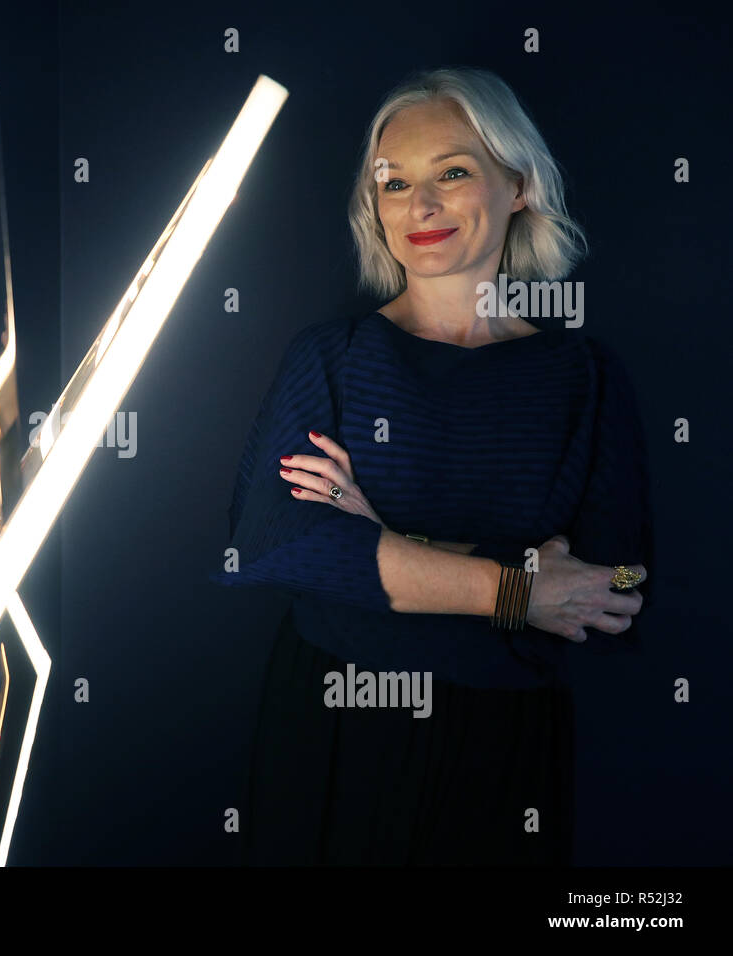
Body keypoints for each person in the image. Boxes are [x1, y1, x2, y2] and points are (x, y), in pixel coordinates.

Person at [211, 67, 654, 865]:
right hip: (335, 730)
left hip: (500, 756)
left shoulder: (585, 378)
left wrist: (381, 540)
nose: (420, 205)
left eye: (452, 172)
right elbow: (277, 544)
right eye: (394, 182)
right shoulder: (332, 358)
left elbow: (621, 591)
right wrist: (518, 587)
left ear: (517, 184)